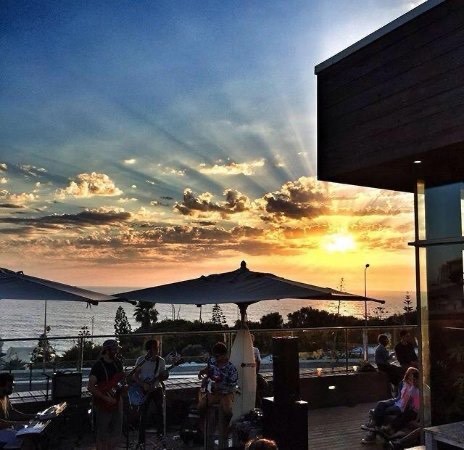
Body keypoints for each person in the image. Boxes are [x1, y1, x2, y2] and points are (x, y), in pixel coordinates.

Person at [361, 367, 419, 445]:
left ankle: (374, 431)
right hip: (399, 402)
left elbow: (412, 402)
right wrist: (392, 401)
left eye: (414, 377)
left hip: (406, 407)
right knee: (380, 404)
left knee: (386, 411)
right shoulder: (404, 384)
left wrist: (405, 408)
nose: (412, 379)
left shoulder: (416, 388)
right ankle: (374, 427)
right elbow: (399, 397)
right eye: (411, 376)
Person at [197, 342, 238, 447]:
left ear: (224, 355)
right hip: (213, 392)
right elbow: (209, 369)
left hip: (225, 393)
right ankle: (202, 426)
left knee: (227, 412)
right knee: (201, 406)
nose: (215, 358)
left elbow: (232, 385)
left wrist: (220, 387)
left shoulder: (231, 369)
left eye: (217, 356)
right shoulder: (212, 360)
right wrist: (203, 372)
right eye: (214, 355)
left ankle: (225, 430)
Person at [88, 339, 124, 450]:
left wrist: (126, 384)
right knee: (102, 434)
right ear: (108, 350)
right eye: (115, 349)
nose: (117, 352)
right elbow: (90, 387)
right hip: (103, 404)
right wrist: (105, 398)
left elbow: (120, 382)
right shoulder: (98, 366)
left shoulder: (118, 363)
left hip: (117, 402)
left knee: (116, 433)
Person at [132, 339, 168, 444]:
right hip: (143, 389)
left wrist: (164, 376)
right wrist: (143, 384)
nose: (157, 350)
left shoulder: (161, 361)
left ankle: (160, 435)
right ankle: (141, 440)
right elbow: (135, 376)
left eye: (157, 348)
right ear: (149, 349)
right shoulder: (141, 360)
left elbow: (162, 377)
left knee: (160, 411)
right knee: (143, 414)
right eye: (155, 348)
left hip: (156, 388)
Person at [0, 372, 35, 448]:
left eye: (13, 385)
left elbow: (12, 412)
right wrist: (19, 423)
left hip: (5, 428)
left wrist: (34, 416)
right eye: (10, 386)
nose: (12, 388)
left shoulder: (5, 396)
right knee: (25, 439)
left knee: (30, 432)